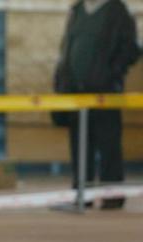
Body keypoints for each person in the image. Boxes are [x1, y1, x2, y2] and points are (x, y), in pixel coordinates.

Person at [55, 0, 140, 209]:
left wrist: (111, 74)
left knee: (109, 144)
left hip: (106, 93)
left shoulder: (117, 11)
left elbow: (131, 49)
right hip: (75, 93)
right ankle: (83, 193)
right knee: (79, 144)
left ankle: (113, 196)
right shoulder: (76, 11)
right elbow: (66, 47)